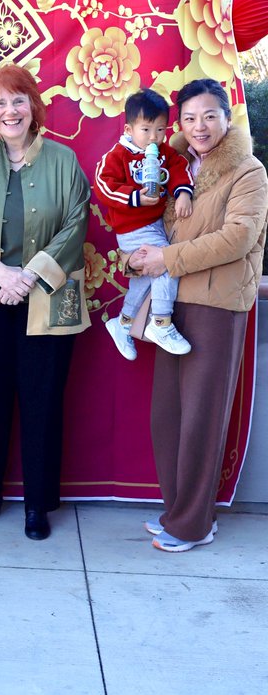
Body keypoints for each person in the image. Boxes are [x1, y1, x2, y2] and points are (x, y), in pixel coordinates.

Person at [0, 64, 90, 541]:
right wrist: (0, 272)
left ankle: (37, 504)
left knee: (42, 402)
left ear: (33, 106)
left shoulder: (63, 161)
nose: (10, 110)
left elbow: (75, 221)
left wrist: (27, 276)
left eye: (19, 100)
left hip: (45, 297)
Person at [129, 78, 268, 553]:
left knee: (201, 418)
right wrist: (137, 254)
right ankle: (177, 510)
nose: (199, 126)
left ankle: (193, 523)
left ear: (227, 118)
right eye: (189, 118)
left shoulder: (248, 171)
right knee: (166, 415)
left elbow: (238, 240)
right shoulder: (173, 165)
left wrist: (164, 260)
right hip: (171, 302)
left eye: (209, 116)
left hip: (216, 304)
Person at [94, 88, 194, 360]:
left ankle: (123, 322)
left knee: (147, 277)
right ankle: (161, 322)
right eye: (146, 130)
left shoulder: (164, 151)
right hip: (132, 228)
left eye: (160, 130)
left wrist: (183, 191)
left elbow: (179, 167)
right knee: (166, 265)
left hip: (154, 224)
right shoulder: (118, 155)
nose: (154, 138)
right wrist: (135, 197)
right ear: (129, 129)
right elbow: (103, 185)